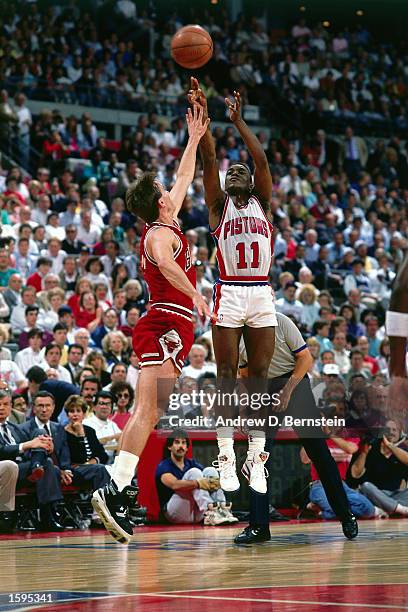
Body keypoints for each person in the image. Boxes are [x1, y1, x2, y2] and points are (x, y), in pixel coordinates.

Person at [91, 104, 210, 544]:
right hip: (164, 322)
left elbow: (183, 177)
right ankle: (114, 486)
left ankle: (117, 490)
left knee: (153, 411)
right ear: (158, 202)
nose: (171, 189)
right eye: (163, 189)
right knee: (146, 410)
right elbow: (165, 263)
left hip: (173, 326)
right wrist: (196, 292)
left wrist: (194, 138)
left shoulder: (168, 217)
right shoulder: (160, 235)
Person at [188, 77, 277, 494]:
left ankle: (255, 459)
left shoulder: (263, 202)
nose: (237, 169)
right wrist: (204, 117)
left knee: (257, 375)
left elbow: (260, 160)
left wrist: (239, 122)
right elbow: (209, 160)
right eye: (232, 170)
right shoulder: (217, 207)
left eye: (241, 169)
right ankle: (225, 455)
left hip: (261, 291)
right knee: (226, 373)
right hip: (229, 290)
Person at [234, 313, 358, 544]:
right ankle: (259, 526)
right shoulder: (241, 334)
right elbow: (244, 375)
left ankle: (345, 514)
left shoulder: (281, 321)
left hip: (296, 382)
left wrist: (287, 391)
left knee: (319, 452)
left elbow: (305, 359)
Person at [155, 430, 237, 525]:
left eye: (183, 443)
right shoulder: (164, 465)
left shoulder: (191, 463)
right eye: (177, 442)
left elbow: (208, 479)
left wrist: (217, 482)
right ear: (169, 447)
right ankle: (210, 510)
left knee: (211, 471)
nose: (181, 446)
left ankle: (222, 510)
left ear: (186, 448)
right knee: (195, 472)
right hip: (173, 513)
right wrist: (198, 483)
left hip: (195, 513)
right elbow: (174, 485)